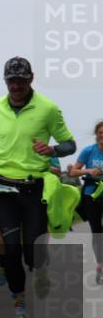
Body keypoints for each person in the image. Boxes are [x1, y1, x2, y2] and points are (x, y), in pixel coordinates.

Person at [0, 56, 77, 318]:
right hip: (3, 187)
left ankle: (41, 268)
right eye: (11, 80)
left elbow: (70, 143)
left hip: (33, 189)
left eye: (21, 80)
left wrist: (53, 150)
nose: (16, 85)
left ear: (31, 79)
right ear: (5, 81)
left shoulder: (48, 109)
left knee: (33, 249)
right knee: (11, 252)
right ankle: (20, 315)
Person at [69, 120, 103, 285]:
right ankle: (100, 265)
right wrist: (89, 170)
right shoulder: (89, 151)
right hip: (92, 195)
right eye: (100, 133)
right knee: (97, 231)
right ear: (96, 135)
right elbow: (73, 171)